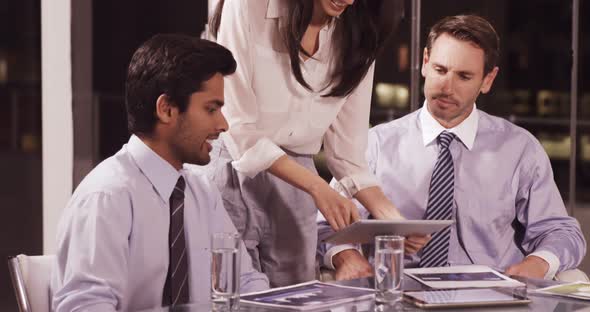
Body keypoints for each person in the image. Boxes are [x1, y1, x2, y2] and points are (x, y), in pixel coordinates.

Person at [318, 15, 586, 281]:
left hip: (489, 296)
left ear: (488, 80)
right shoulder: (373, 145)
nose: (447, 87)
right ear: (424, 63)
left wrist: (537, 264)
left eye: (464, 76)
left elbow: (562, 232)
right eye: (440, 70)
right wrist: (348, 257)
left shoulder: (519, 149)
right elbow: (325, 225)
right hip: (400, 292)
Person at [204, 0, 426, 287]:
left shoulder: (359, 33)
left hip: (299, 185)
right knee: (227, 292)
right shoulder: (247, 6)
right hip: (232, 168)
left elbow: (348, 155)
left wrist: (395, 222)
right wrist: (317, 186)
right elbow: (238, 125)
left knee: (296, 298)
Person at [51, 34, 269, 312]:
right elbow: (85, 307)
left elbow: (246, 283)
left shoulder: (202, 191)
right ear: (166, 109)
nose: (223, 124)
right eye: (211, 109)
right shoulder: (106, 197)